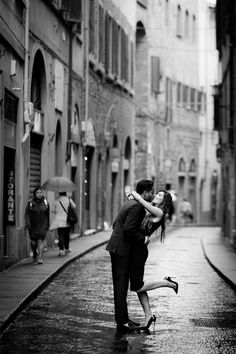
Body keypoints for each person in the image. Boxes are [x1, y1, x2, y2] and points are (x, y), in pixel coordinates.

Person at [106, 179, 154, 333]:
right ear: (145, 192)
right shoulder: (138, 207)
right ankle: (123, 323)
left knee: (121, 285)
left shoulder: (129, 203)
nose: (152, 194)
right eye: (151, 191)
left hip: (117, 247)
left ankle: (124, 319)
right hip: (121, 250)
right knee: (121, 287)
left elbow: (116, 224)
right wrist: (144, 239)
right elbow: (128, 229)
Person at [129, 189, 178, 330]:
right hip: (137, 247)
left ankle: (167, 283)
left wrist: (134, 193)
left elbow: (142, 202)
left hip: (139, 251)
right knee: (138, 286)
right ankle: (148, 316)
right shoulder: (154, 210)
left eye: (160, 195)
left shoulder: (159, 213)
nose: (156, 195)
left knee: (137, 286)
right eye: (156, 193)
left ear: (165, 201)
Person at [25, 187, 50, 264]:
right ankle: (35, 255)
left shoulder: (46, 203)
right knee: (33, 242)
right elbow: (26, 214)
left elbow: (47, 215)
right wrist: (28, 224)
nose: (39, 194)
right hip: (33, 225)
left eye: (40, 192)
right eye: (37, 193)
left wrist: (47, 225)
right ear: (35, 194)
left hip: (42, 225)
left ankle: (40, 257)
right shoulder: (31, 203)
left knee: (40, 241)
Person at [50, 192, 76, 256]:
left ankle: (61, 250)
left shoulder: (56, 201)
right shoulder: (69, 199)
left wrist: (58, 211)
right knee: (67, 235)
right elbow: (74, 206)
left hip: (59, 221)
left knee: (60, 235)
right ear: (65, 193)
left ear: (59, 193)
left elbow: (52, 210)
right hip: (67, 221)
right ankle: (67, 248)